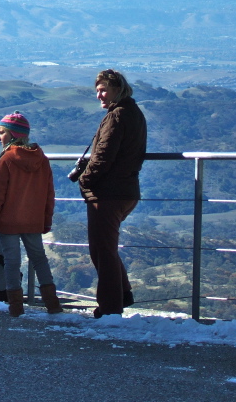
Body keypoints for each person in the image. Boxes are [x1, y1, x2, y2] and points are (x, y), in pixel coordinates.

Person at [78, 69, 147, 318]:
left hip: (109, 193)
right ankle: (122, 294)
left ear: (118, 89)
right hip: (126, 190)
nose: (99, 95)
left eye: (104, 90)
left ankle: (109, 309)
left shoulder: (117, 116)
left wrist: (85, 181)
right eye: (97, 91)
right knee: (106, 248)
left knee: (102, 252)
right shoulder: (134, 113)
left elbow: (103, 156)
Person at [0, 112, 62, 317]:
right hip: (33, 221)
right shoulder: (42, 160)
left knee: (12, 262)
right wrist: (46, 221)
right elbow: (49, 194)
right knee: (39, 259)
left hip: (8, 222)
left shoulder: (7, 159)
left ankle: (16, 307)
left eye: (2, 133)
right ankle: (53, 304)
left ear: (13, 135)